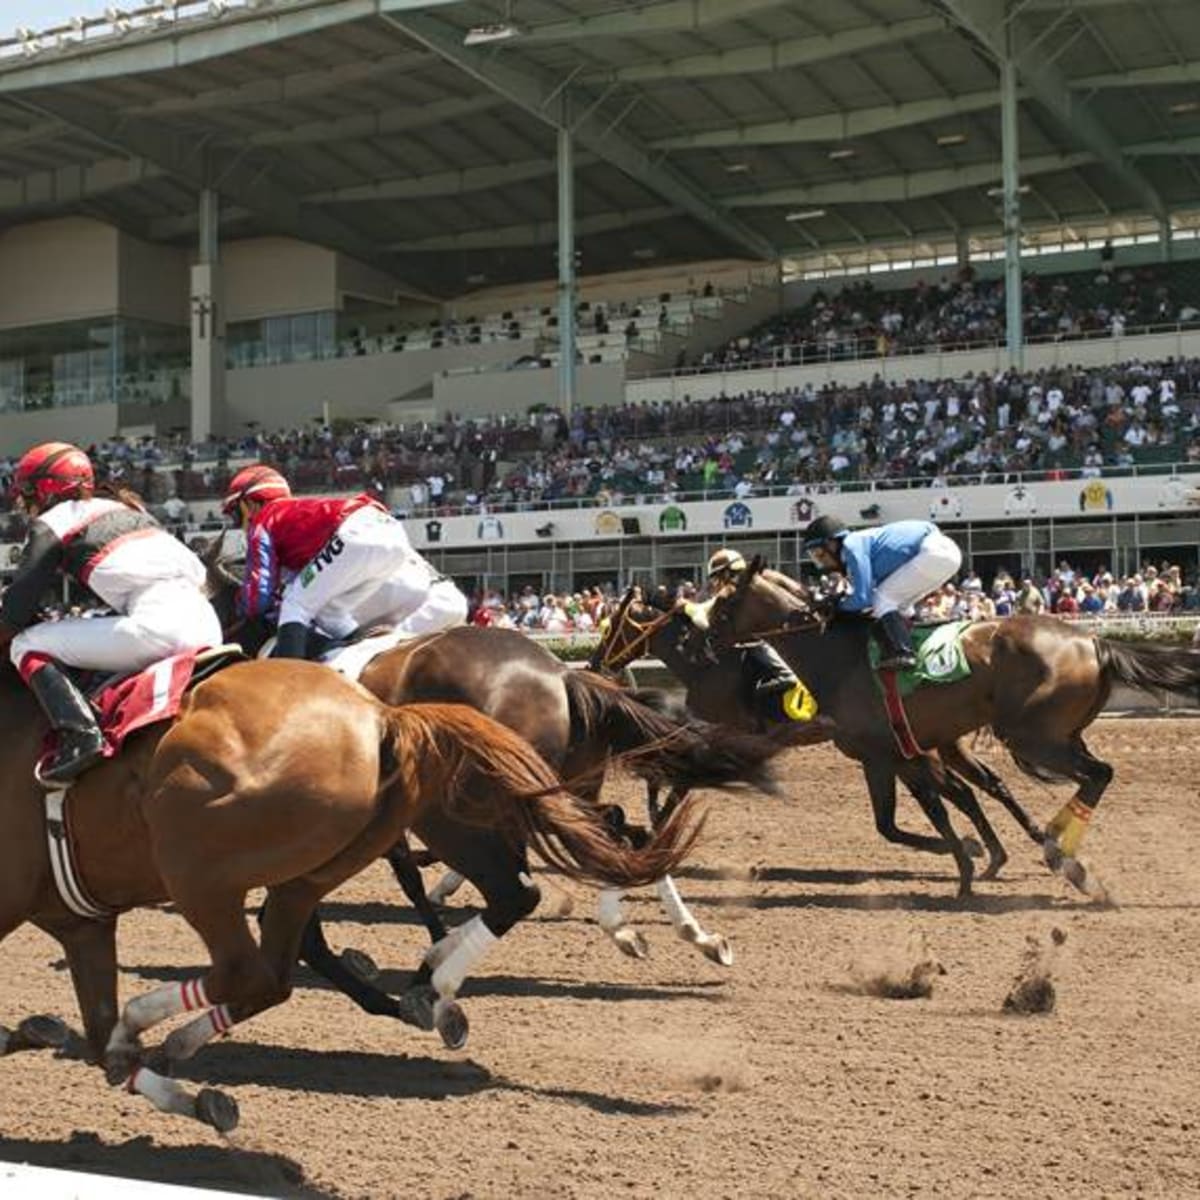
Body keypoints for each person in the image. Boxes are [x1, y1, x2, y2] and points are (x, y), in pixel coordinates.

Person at [0, 441, 222, 783]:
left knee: (24, 644)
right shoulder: (130, 512)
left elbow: (14, 613)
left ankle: (80, 736)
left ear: (45, 489)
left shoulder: (56, 520)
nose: (25, 503)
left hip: (157, 626)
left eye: (28, 493)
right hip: (207, 624)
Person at [222, 464, 468, 659]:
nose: (239, 525)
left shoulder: (263, 521)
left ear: (249, 504)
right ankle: (363, 655)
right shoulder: (294, 516)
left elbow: (258, 599)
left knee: (295, 605)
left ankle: (290, 682)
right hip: (392, 532)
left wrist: (239, 605)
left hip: (356, 534)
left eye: (235, 515)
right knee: (330, 612)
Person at [800, 514, 962, 671]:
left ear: (832, 544)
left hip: (933, 552)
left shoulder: (851, 545)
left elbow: (863, 598)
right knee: (900, 605)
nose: (820, 562)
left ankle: (903, 653)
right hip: (945, 554)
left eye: (819, 554)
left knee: (882, 599)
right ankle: (919, 642)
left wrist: (838, 606)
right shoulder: (857, 548)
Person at [684, 549, 813, 721]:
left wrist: (686, 606)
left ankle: (787, 677)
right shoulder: (744, 585)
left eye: (717, 577)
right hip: (772, 632)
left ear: (729, 573)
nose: (716, 583)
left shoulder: (751, 585)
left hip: (780, 634)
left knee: (759, 649)